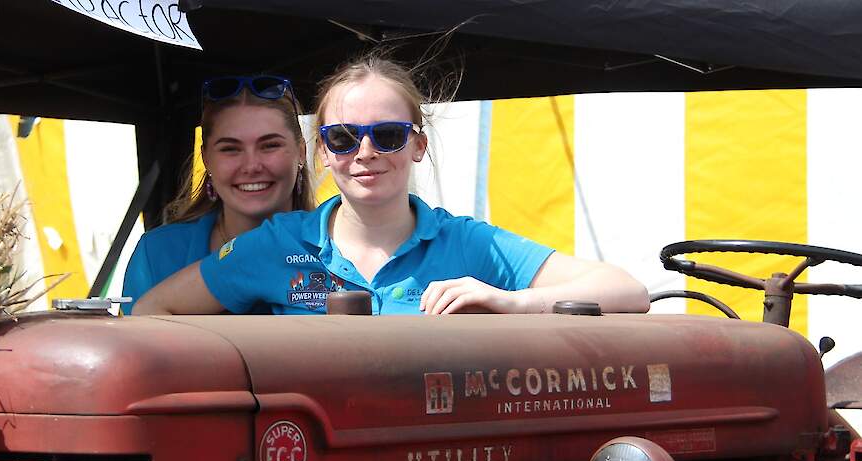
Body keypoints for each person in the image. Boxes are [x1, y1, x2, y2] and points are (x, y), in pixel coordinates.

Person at [133, 55, 649, 316]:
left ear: (418, 145)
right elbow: (152, 310)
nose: (365, 153)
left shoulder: (467, 243)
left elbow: (627, 290)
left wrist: (508, 302)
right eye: (342, 137)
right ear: (321, 152)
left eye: (387, 135)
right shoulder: (279, 244)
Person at [121, 76, 315, 314]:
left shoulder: (337, 249)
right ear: (206, 159)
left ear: (302, 152)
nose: (251, 166)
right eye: (230, 149)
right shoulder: (158, 253)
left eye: (269, 145)